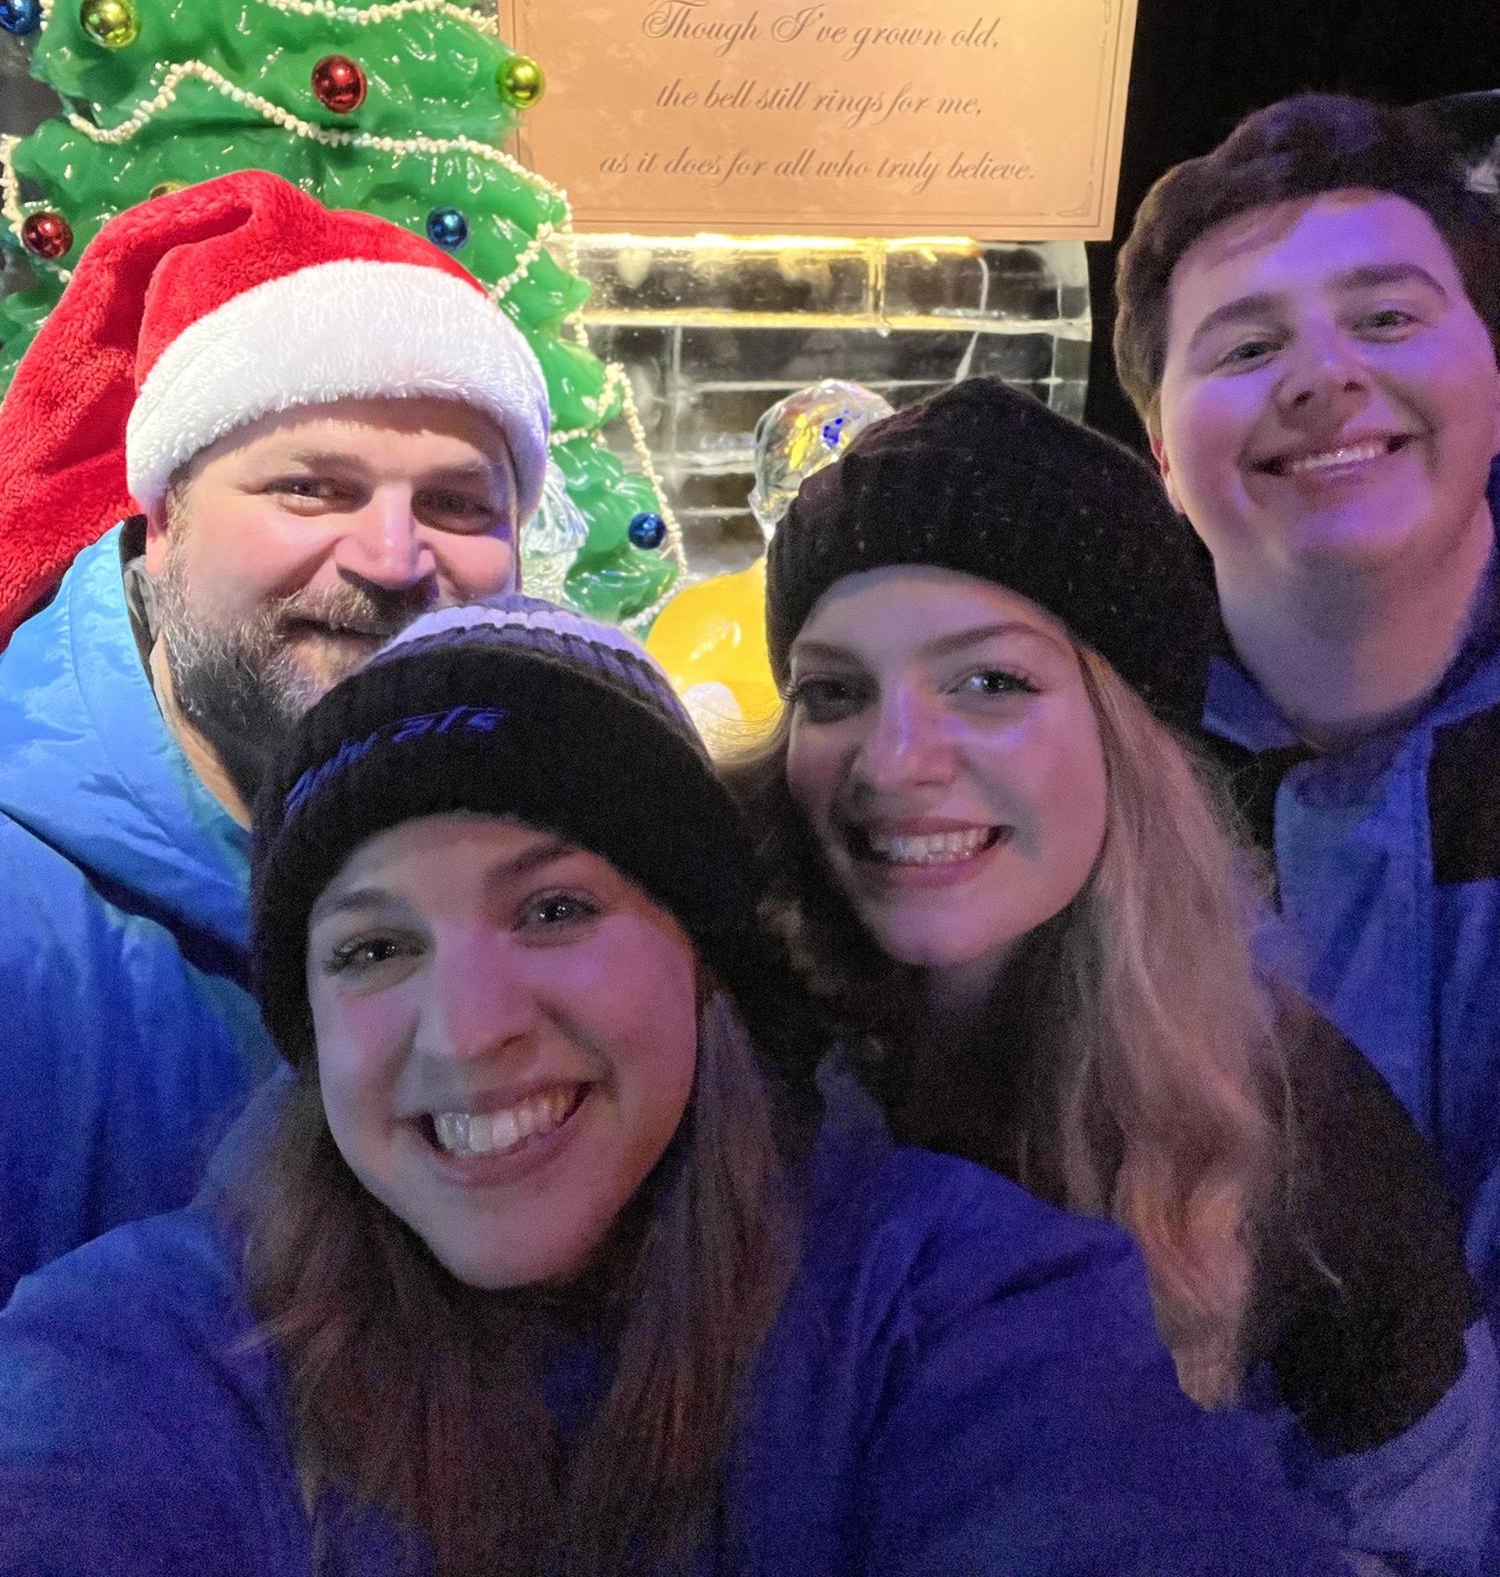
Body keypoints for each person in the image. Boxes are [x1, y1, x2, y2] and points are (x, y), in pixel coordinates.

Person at [0, 597, 1346, 1577]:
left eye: (554, 909)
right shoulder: (152, 1351)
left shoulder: (957, 1303)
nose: (467, 1031)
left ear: (705, 964)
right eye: (372, 948)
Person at [744, 375, 1497, 1573]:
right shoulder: (731, 1037)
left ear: (1129, 734)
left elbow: (1430, 1530)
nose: (892, 760)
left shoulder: (1292, 1121)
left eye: (989, 681)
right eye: (834, 690)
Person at [0, 168, 550, 1302]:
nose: (393, 561)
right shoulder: (25, 940)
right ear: (163, 520)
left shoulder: (567, 838)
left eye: (457, 504)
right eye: (312, 488)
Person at [1113, 93, 1500, 1328]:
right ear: (1163, 455)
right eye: (1243, 347)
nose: (1326, 376)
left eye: (1387, 318)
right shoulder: (1083, 778)